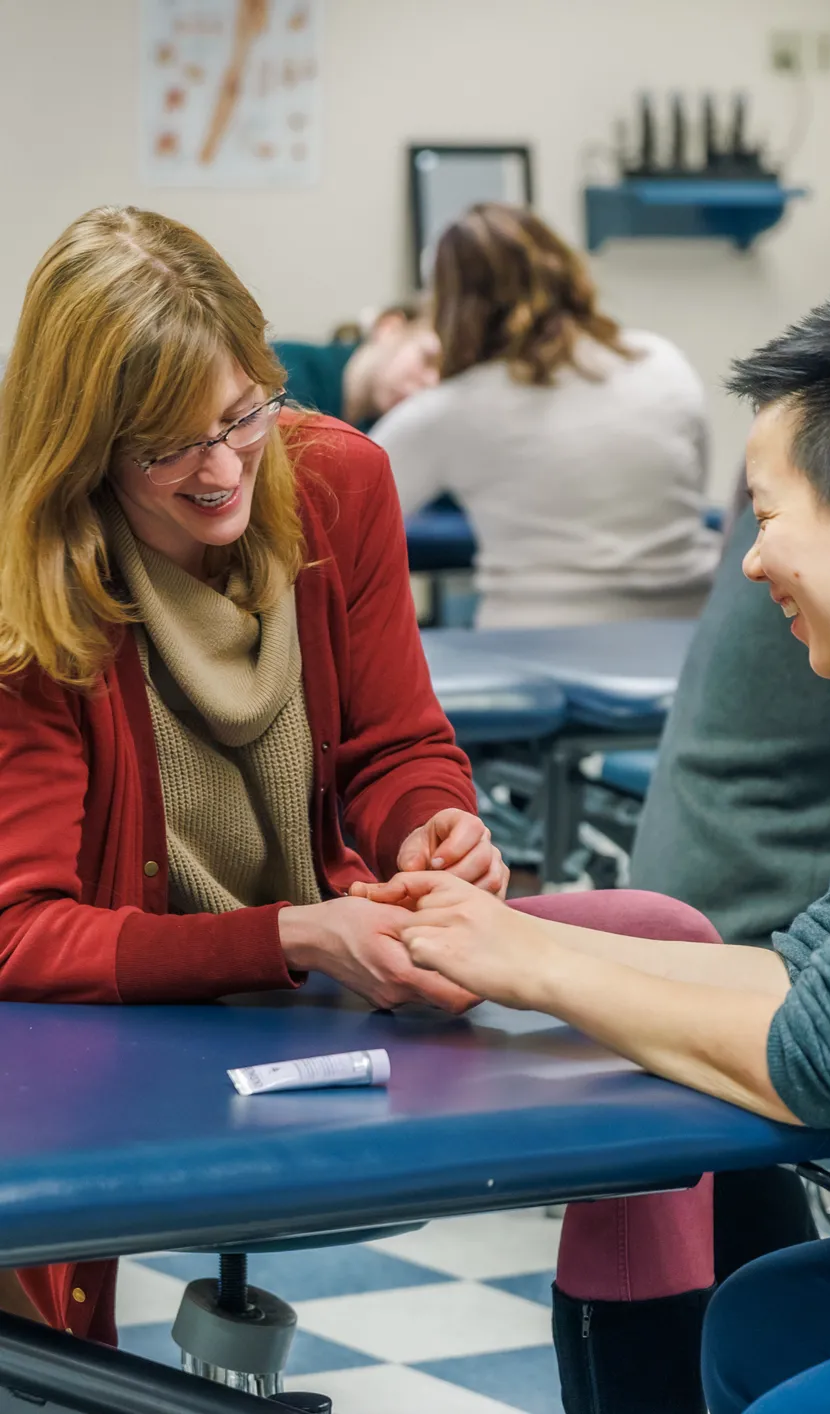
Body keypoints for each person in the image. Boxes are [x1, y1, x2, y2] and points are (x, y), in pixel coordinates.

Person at [0, 206, 716, 1353]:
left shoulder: (336, 481)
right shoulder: (35, 590)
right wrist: (289, 933)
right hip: (139, 1011)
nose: (225, 466)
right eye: (168, 446)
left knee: (671, 944)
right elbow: (20, 933)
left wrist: (431, 827)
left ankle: (660, 1374)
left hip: (338, 957)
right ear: (88, 447)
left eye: (243, 414)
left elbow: (398, 745)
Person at [359, 283, 830, 1414]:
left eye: (766, 519)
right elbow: (812, 962)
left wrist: (529, 966)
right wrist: (500, 938)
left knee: (806, 1395)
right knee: (763, 1323)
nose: (752, 563)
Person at [373, 202, 720, 628]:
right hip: (691, 633)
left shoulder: (452, 409)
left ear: (448, 306)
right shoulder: (664, 360)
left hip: (534, 640)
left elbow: (339, 518)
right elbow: (695, 484)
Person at [272, 301, 441, 429]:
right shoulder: (284, 369)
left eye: (442, 382)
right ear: (390, 327)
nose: (430, 384)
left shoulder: (387, 437)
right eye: (428, 359)